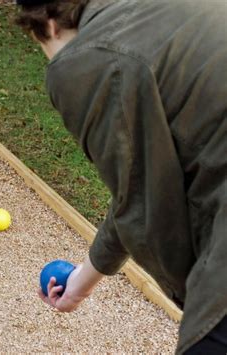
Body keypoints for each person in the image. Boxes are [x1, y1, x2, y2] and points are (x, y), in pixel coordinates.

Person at [14, 0, 227, 353]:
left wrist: (193, 299)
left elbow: (145, 208)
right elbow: (140, 186)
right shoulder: (163, 15)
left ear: (48, 25)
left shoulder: (87, 59)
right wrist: (82, 282)